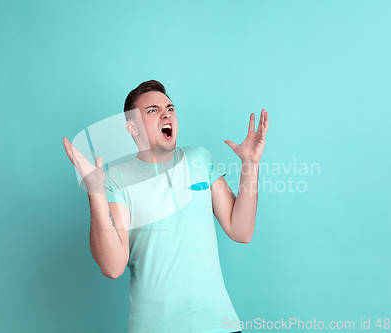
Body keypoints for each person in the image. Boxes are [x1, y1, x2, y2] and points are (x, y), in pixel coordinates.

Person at [62, 80, 269, 333]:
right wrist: (95, 191)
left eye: (170, 108)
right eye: (152, 110)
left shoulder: (199, 159)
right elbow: (113, 267)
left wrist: (250, 164)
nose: (166, 113)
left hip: (221, 325)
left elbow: (241, 232)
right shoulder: (115, 179)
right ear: (132, 127)